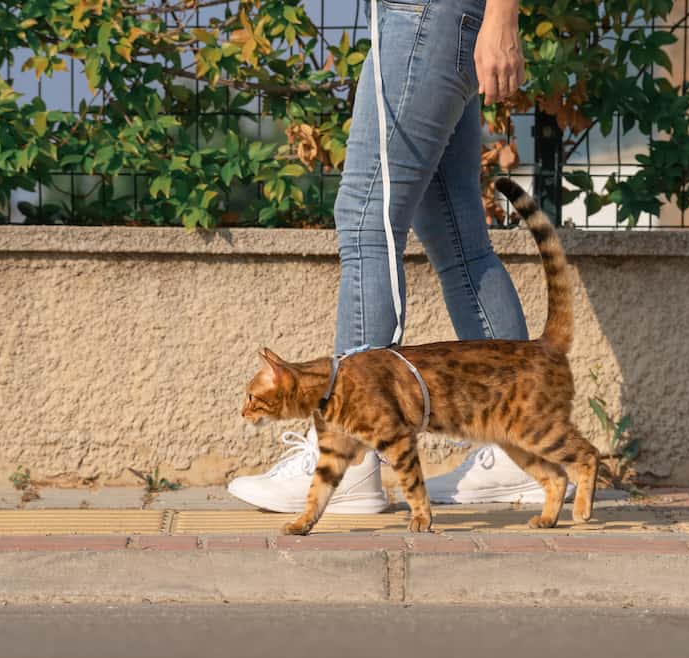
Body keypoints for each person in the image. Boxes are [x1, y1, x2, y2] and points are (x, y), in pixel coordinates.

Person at [229, 0, 571, 513]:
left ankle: (354, 459)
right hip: (424, 18)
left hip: (423, 16)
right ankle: (517, 449)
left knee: (366, 219)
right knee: (455, 237)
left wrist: (503, 15)